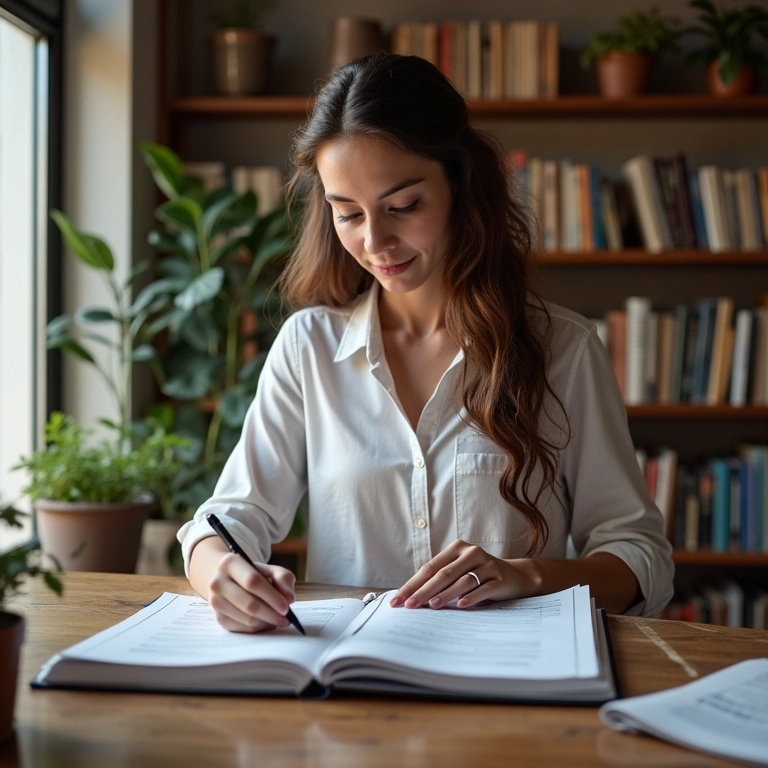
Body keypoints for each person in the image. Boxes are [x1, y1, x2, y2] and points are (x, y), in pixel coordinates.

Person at [178, 53, 674, 633]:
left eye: (404, 206)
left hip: (508, 683)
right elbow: (229, 518)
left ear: (460, 184)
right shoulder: (308, 347)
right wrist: (220, 572)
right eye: (347, 214)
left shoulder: (563, 349)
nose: (375, 241)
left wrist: (528, 576)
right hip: (348, 688)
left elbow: (641, 558)